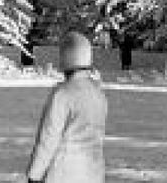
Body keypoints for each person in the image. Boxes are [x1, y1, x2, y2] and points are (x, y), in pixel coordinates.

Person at [26, 32, 108, 183]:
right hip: (93, 173)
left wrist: (34, 175)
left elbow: (49, 138)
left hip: (64, 173)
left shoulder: (63, 94)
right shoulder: (98, 94)